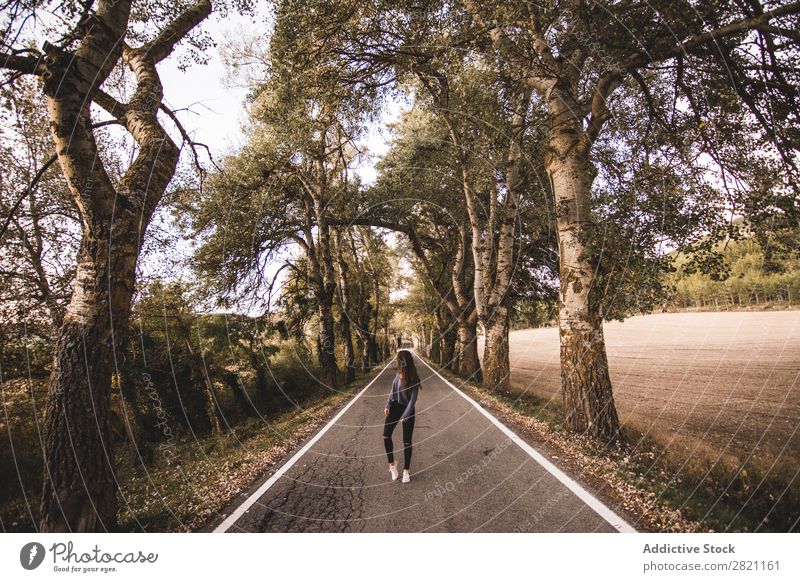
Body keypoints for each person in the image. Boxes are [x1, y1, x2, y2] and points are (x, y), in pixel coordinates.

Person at [383, 349, 422, 483]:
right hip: (395, 407)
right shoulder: (397, 376)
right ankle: (392, 465)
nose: (396, 361)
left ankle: (406, 471)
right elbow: (392, 392)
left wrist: (405, 415)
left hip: (408, 409)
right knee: (386, 435)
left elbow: (413, 401)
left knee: (407, 441)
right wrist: (388, 405)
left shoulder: (413, 378)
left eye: (398, 359)